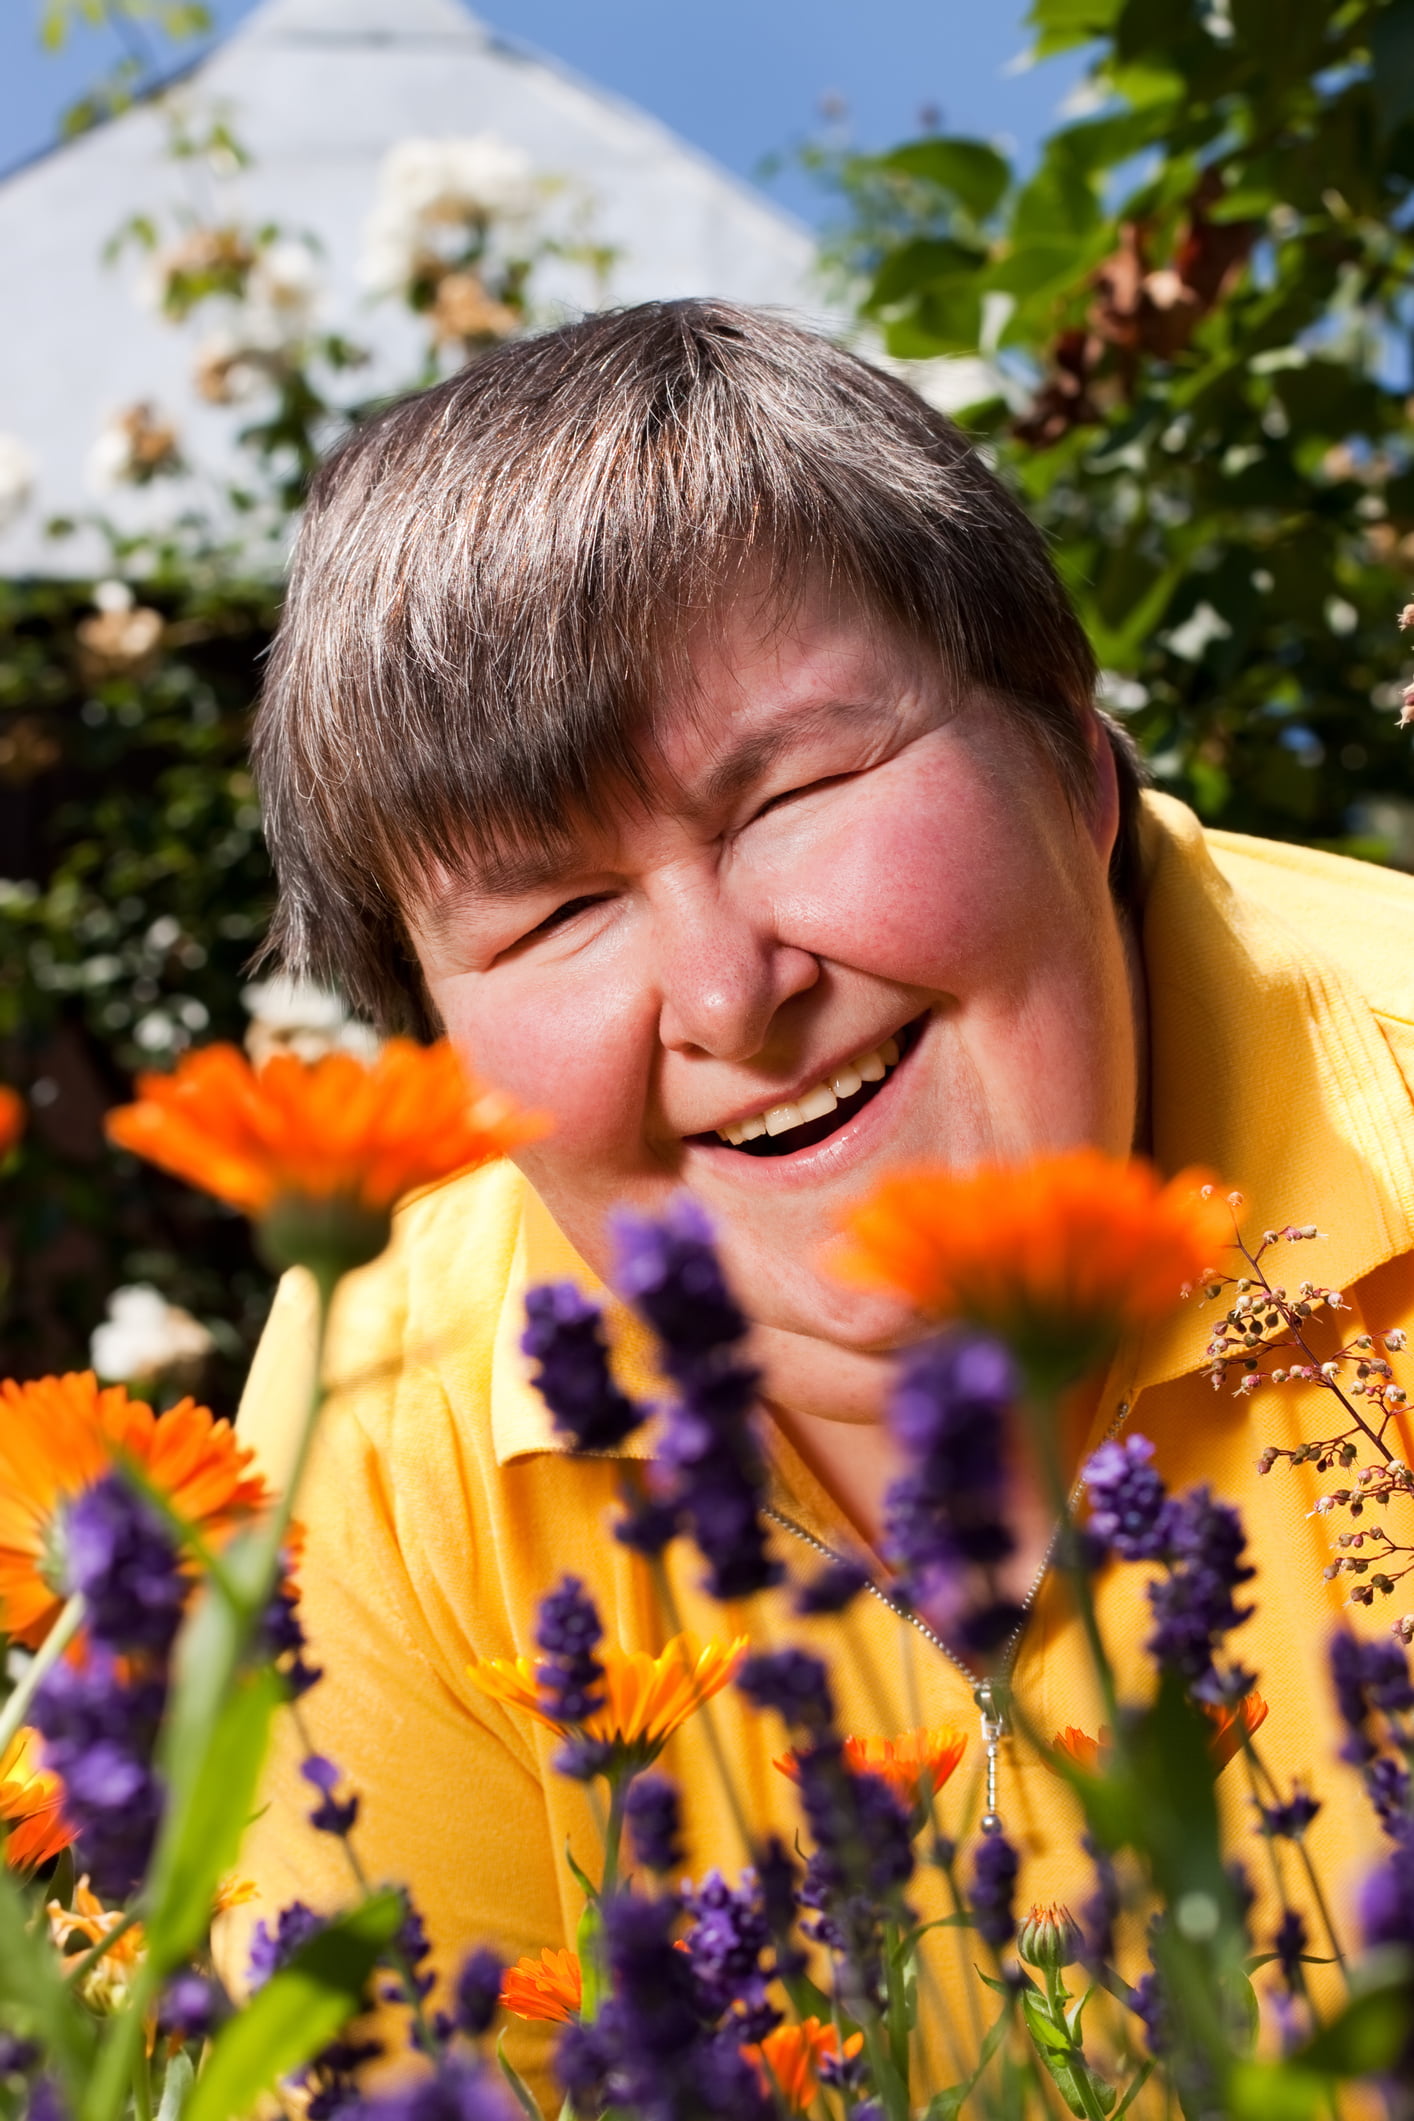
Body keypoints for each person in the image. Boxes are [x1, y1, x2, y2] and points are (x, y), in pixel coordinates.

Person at [232, 300, 1414, 2095]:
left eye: (798, 787)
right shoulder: (381, 1407)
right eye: (553, 914)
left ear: (1077, 767)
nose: (726, 995)